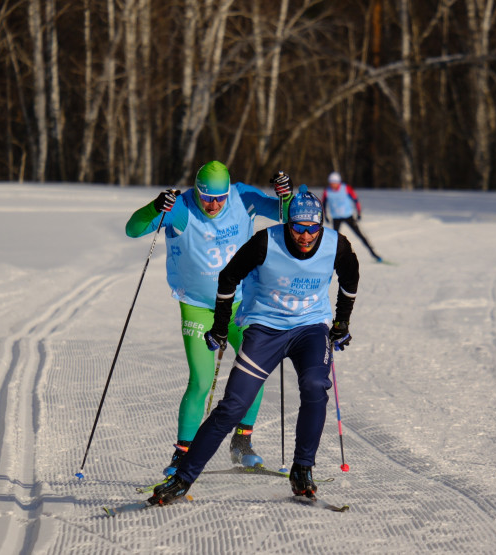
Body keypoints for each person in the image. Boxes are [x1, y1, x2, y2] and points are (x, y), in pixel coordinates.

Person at [147, 184, 360, 505]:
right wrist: (220, 326)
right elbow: (228, 277)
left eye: (312, 229)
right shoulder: (265, 242)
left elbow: (350, 279)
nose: (305, 236)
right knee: (233, 406)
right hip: (265, 329)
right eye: (298, 228)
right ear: (288, 224)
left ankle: (302, 469)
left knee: (315, 386)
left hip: (310, 329)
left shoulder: (336, 244)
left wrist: (341, 323)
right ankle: (182, 478)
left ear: (320, 226)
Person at [125, 161, 293, 476]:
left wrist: (286, 196)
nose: (213, 205)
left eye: (219, 198)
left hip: (242, 303)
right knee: (200, 380)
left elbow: (286, 215)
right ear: (196, 191)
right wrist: (154, 207)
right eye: (206, 198)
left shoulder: (242, 197)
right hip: (198, 306)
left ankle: (242, 442)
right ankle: (181, 456)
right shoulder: (182, 208)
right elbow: (132, 229)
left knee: (254, 373)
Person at [322, 171, 383, 262]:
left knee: (360, 235)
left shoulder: (346, 188)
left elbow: (355, 200)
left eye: (334, 183)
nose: (332, 185)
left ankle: (374, 253)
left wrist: (359, 212)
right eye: (331, 183)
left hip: (348, 216)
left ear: (338, 182)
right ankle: (331, 258)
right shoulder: (327, 191)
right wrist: (325, 215)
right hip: (336, 218)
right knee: (334, 239)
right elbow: (323, 203)